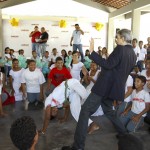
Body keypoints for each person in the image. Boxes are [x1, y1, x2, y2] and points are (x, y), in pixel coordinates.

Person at [62, 29, 136, 150]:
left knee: (85, 111)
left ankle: (78, 146)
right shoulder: (132, 53)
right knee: (109, 111)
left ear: (123, 38)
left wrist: (92, 52)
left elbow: (107, 64)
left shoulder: (120, 49)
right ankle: (124, 134)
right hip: (113, 90)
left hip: (104, 87)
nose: (116, 39)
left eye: (117, 37)